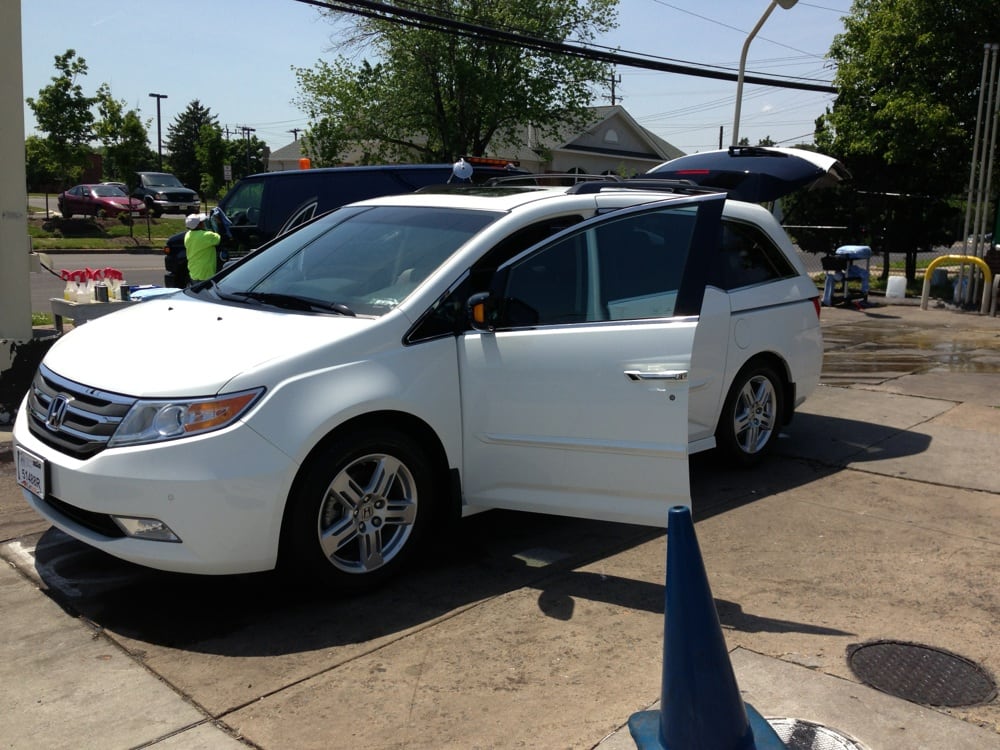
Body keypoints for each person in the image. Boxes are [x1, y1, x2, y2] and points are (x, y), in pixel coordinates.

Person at [183, 213, 221, 284]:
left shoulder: (187, 235)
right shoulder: (206, 235)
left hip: (194, 271)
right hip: (206, 273)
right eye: (202, 222)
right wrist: (217, 223)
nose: (204, 223)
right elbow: (218, 238)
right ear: (199, 225)